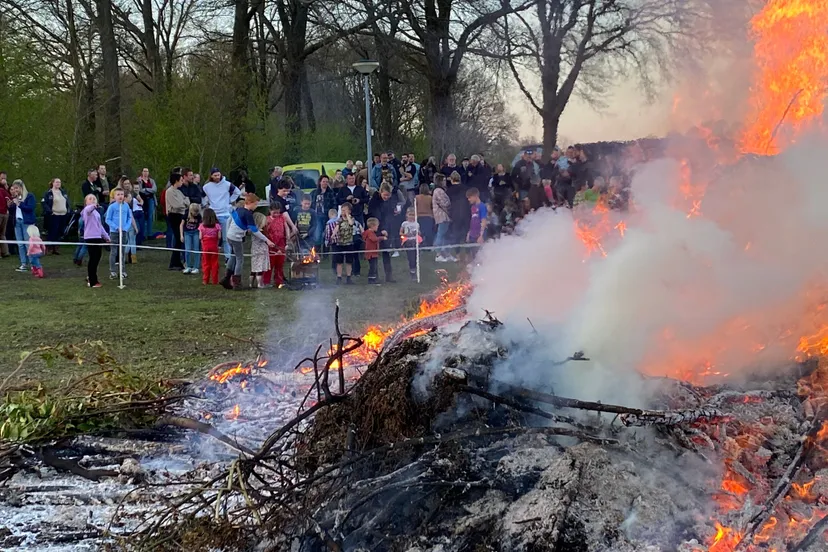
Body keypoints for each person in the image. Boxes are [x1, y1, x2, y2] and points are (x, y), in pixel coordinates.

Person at [221, 194, 274, 290]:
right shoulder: (248, 214)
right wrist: (267, 240)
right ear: (249, 203)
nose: (256, 207)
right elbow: (255, 231)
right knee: (240, 259)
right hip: (236, 238)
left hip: (230, 236)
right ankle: (237, 283)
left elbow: (230, 220)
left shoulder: (239, 210)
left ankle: (226, 278)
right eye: (255, 204)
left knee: (233, 256)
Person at [202, 167, 240, 261]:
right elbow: (202, 197)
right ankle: (212, 257)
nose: (217, 177)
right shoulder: (206, 187)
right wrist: (206, 204)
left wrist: (229, 201)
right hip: (212, 214)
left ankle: (228, 258)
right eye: (215, 175)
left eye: (218, 175)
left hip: (225, 214)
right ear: (211, 176)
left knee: (226, 238)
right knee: (211, 237)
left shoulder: (227, 184)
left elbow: (237, 192)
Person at [366, 183, 397, 283]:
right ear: (380, 192)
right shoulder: (374, 201)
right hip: (375, 229)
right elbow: (374, 216)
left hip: (387, 230)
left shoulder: (390, 202)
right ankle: (374, 276)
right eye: (385, 195)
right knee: (374, 255)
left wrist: (387, 229)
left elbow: (390, 216)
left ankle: (389, 276)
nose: (386, 197)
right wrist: (380, 230)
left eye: (388, 195)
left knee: (386, 253)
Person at [105, 188, 133, 280]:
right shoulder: (112, 207)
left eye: (122, 194)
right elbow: (107, 219)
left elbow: (129, 218)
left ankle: (122, 271)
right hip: (114, 232)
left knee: (122, 252)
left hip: (124, 232)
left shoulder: (126, 206)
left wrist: (125, 228)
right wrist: (116, 227)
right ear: (114, 196)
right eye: (118, 194)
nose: (120, 196)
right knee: (114, 252)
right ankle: (112, 271)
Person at [9, 180, 36, 272]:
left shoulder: (29, 196)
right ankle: (23, 264)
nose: (15, 190)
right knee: (20, 244)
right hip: (17, 222)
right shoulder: (15, 198)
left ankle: (33, 264)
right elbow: (13, 211)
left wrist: (20, 204)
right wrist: (10, 205)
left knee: (28, 244)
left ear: (21, 188)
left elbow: (30, 208)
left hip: (26, 222)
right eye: (14, 188)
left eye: (16, 188)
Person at [165, 172, 189, 270]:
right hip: (174, 216)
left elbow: (187, 201)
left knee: (180, 239)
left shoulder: (179, 192)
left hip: (180, 215)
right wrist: (183, 203)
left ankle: (177, 261)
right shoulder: (169, 191)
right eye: (181, 180)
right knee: (178, 238)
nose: (182, 182)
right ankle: (173, 263)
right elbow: (177, 205)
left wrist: (183, 202)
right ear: (176, 181)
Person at [263, 201, 289, 288]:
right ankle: (266, 281)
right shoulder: (266, 219)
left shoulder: (282, 218)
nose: (276, 214)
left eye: (278, 212)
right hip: (271, 244)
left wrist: (288, 238)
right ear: (270, 210)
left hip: (281, 243)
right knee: (270, 264)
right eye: (274, 212)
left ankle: (279, 281)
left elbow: (286, 227)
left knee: (280, 263)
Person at [41, 178, 69, 254]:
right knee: (53, 231)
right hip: (54, 215)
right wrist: (49, 211)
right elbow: (44, 203)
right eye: (56, 182)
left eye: (59, 182)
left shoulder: (63, 192)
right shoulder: (48, 193)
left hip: (63, 215)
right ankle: (49, 247)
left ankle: (56, 248)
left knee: (60, 231)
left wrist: (68, 210)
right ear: (52, 183)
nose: (58, 183)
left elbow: (67, 202)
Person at [332, 202, 357, 285]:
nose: (343, 212)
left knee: (349, 262)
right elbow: (336, 227)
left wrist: (347, 215)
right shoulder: (339, 220)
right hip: (340, 243)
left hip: (349, 243)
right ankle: (339, 277)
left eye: (345, 210)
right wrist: (333, 234)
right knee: (339, 262)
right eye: (342, 210)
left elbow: (351, 224)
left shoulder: (352, 218)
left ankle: (348, 277)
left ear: (349, 211)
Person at [446, 171, 469, 260]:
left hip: (455, 214)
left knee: (456, 235)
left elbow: (447, 204)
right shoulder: (466, 188)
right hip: (466, 213)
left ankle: (458, 255)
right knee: (467, 235)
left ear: (452, 179)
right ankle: (467, 255)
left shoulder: (449, 191)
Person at [311, 175, 337, 245]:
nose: (325, 183)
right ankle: (318, 250)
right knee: (317, 235)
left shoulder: (331, 192)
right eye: (323, 181)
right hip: (316, 216)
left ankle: (325, 250)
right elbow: (311, 204)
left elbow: (334, 204)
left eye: (326, 182)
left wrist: (332, 215)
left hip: (327, 216)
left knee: (327, 235)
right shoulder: (314, 192)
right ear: (320, 182)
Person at [431, 174, 452, 262]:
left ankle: (445, 253)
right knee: (441, 234)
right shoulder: (439, 191)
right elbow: (444, 203)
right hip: (442, 215)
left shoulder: (438, 190)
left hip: (442, 215)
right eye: (443, 180)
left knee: (444, 234)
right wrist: (450, 209)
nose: (445, 182)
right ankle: (438, 254)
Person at [199, 207, 222, 285]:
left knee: (206, 263)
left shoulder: (202, 226)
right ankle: (215, 280)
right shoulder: (217, 226)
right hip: (214, 246)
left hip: (205, 246)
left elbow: (200, 237)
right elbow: (219, 237)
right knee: (214, 263)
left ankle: (205, 280)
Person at [249, 212, 270, 289]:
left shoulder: (252, 230)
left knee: (254, 268)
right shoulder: (260, 231)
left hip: (254, 250)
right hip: (261, 251)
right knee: (259, 269)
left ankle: (251, 284)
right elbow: (264, 239)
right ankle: (259, 284)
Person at [400, 208, 420, 281]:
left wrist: (417, 233)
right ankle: (412, 272)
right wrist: (405, 235)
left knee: (415, 257)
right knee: (411, 258)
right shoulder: (404, 223)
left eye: (413, 215)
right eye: (410, 215)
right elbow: (400, 233)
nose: (411, 216)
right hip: (408, 242)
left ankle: (415, 270)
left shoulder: (417, 224)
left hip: (415, 242)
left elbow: (419, 233)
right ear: (407, 215)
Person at [466, 188, 488, 258]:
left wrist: (481, 235)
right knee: (473, 254)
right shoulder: (472, 207)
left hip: (479, 234)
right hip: (472, 234)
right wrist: (469, 232)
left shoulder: (482, 206)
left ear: (475, 196)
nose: (468, 199)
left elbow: (483, 221)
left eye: (469, 197)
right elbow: (472, 220)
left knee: (480, 255)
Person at [363, 217, 385, 285]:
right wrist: (382, 238)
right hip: (371, 253)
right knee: (373, 267)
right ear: (373, 226)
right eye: (377, 226)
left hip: (373, 253)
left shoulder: (370, 232)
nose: (377, 227)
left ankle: (374, 278)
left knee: (374, 266)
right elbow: (374, 239)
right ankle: (371, 280)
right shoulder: (370, 233)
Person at [181, 203, 202, 274]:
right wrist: (181, 235)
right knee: (187, 250)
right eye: (194, 212)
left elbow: (200, 226)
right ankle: (188, 266)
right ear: (191, 211)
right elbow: (181, 225)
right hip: (187, 233)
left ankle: (196, 267)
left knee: (196, 249)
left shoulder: (198, 216)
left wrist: (200, 235)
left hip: (196, 232)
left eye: (197, 212)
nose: (196, 214)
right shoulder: (186, 215)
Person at [137, 168, 158, 238]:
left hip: (150, 199)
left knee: (150, 216)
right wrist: (149, 190)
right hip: (142, 200)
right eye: (144, 171)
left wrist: (146, 189)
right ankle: (143, 234)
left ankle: (149, 234)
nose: (145, 172)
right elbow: (140, 190)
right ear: (142, 172)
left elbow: (154, 190)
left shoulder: (151, 181)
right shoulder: (139, 180)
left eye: (147, 171)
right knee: (143, 216)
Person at [0, 172, 10, 258]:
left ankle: (5, 252)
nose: (4, 179)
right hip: (3, 213)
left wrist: (6, 186)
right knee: (2, 234)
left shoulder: (5, 189)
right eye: (2, 178)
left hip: (4, 213)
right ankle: (4, 251)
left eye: (5, 178)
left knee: (2, 233)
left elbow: (10, 197)